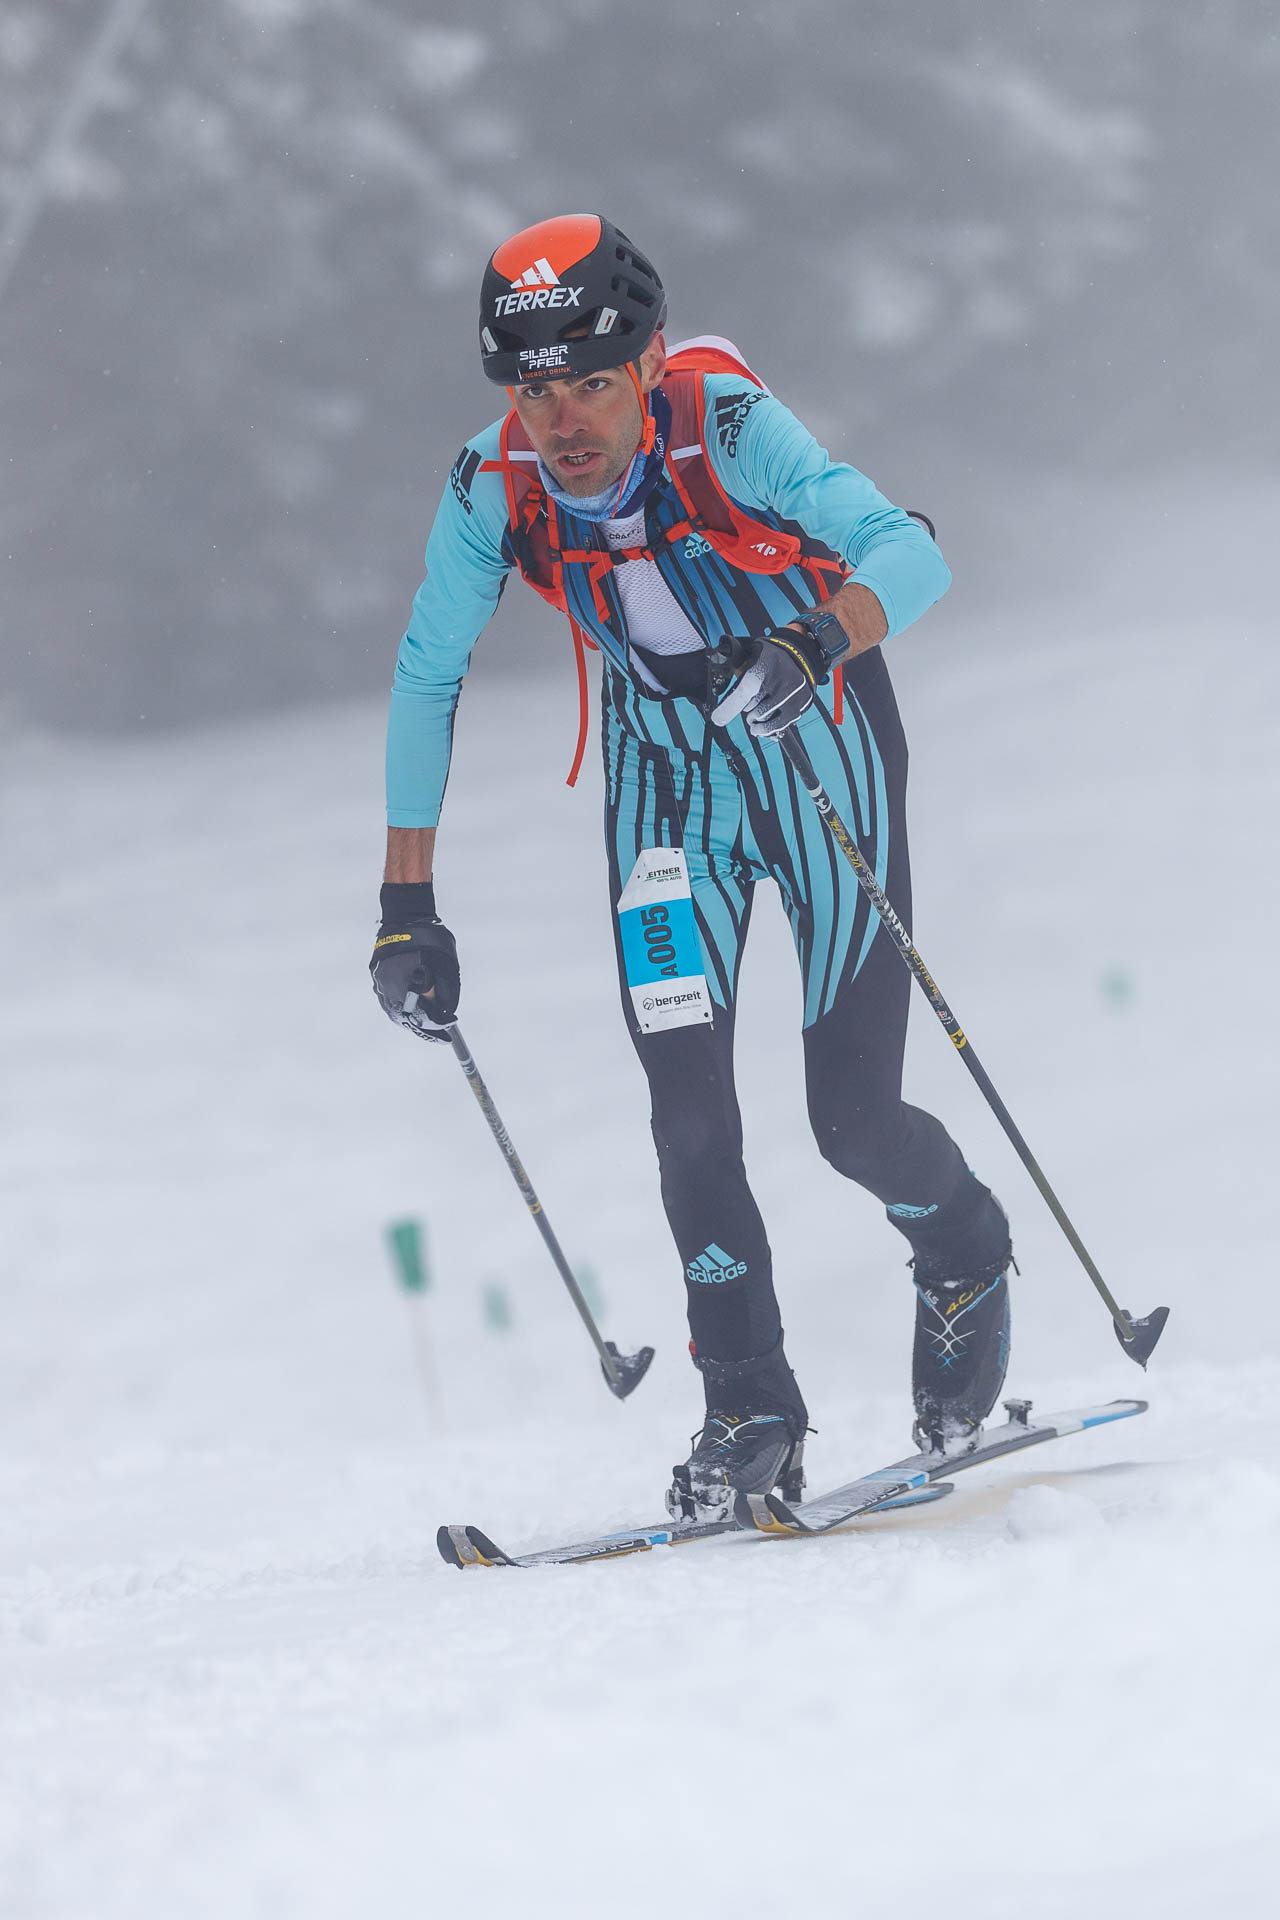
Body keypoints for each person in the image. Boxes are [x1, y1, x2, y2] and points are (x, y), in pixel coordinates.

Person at [370, 214, 1013, 1521]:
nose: (562, 419)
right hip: (667, 777)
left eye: (591, 382)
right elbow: (426, 672)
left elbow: (914, 551)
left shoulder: (721, 424)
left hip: (815, 733)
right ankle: (749, 1406)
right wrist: (404, 905)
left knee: (851, 1120)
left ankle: (962, 1249)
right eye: (533, 388)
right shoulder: (491, 487)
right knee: (687, 1114)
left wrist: (819, 640)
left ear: (648, 361)